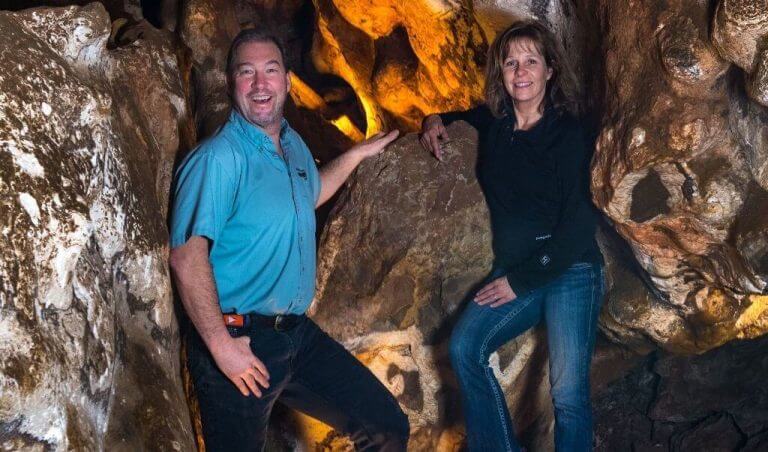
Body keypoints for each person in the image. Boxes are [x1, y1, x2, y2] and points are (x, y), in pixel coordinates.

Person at [169, 28, 409, 451]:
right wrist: (221, 348)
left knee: (385, 425)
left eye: (270, 71)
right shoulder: (218, 159)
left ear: (287, 80)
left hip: (295, 336)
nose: (260, 84)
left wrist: (355, 155)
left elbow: (308, 194)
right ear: (231, 83)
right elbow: (188, 258)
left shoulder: (292, 144)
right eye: (247, 73)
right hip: (238, 339)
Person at [419, 20, 604, 451]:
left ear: (550, 70)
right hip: (517, 269)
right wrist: (433, 119)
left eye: (531, 62)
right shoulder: (496, 124)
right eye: (510, 63)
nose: (520, 72)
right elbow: (458, 116)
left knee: (569, 394)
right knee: (466, 346)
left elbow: (579, 225)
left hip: (570, 268)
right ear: (500, 74)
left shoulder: (568, 134)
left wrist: (520, 280)